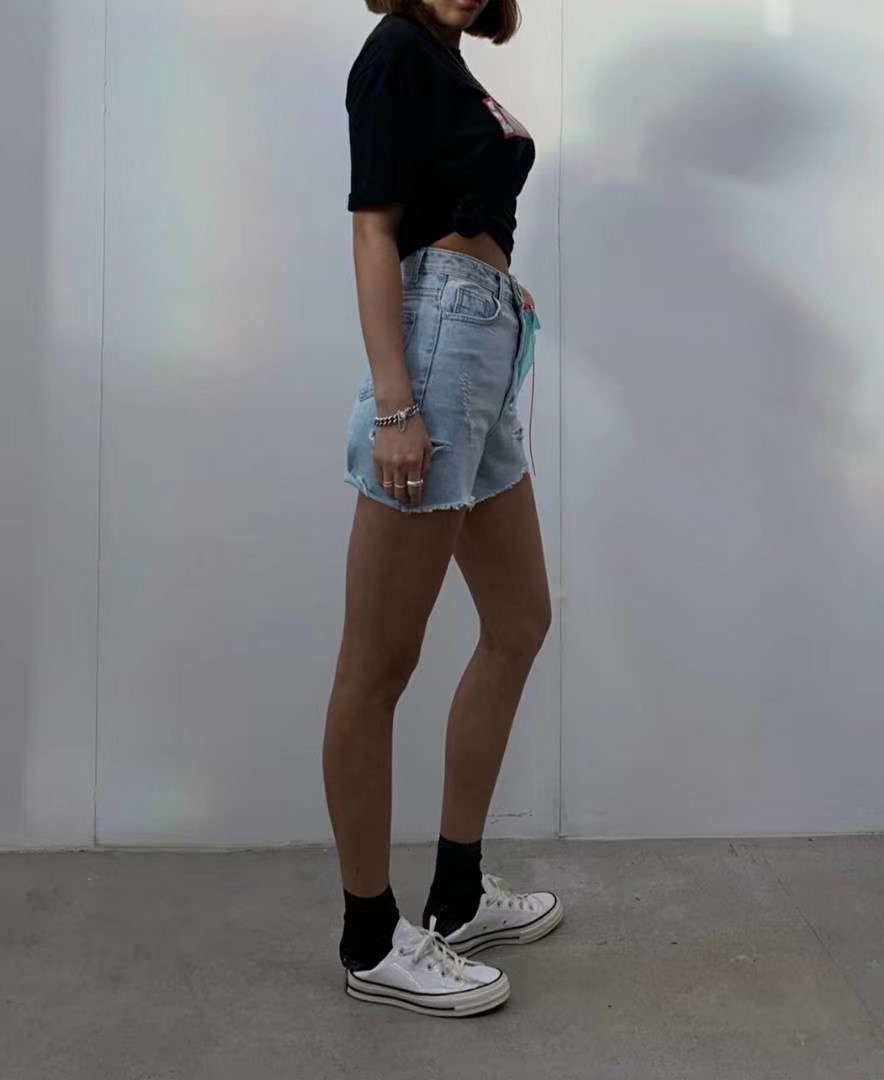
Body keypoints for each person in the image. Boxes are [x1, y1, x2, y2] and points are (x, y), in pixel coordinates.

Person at [323, 0, 562, 1018]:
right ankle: (371, 937)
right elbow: (374, 231)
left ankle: (457, 895)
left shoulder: (448, 61)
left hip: (482, 344)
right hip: (435, 356)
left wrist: (502, 295)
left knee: (518, 621)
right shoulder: (394, 50)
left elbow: (452, 211)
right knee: (378, 664)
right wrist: (397, 404)